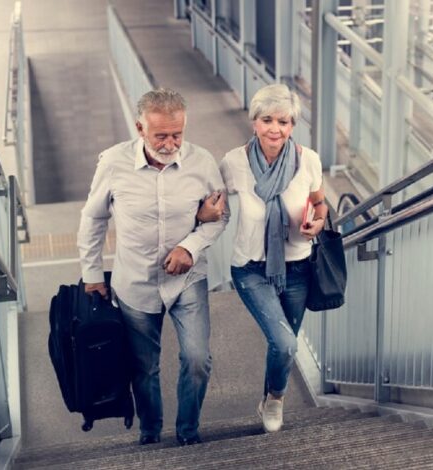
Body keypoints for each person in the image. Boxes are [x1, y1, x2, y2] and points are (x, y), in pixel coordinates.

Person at [77, 88, 228, 446]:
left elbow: (221, 216)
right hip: (135, 282)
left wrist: (190, 247)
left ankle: (188, 431)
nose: (171, 142)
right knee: (144, 368)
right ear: (140, 128)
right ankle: (150, 432)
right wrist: (92, 273)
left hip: (187, 279)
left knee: (197, 359)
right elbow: (93, 218)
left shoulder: (202, 162)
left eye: (178, 134)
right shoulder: (113, 163)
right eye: (161, 135)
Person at [197, 83, 326, 433]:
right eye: (267, 119)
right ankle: (276, 401)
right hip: (251, 268)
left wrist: (317, 220)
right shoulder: (235, 162)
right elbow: (211, 202)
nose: (275, 129)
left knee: (283, 347)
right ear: (254, 121)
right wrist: (204, 217)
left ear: (292, 126)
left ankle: (270, 395)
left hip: (298, 266)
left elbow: (319, 201)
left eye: (283, 122)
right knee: (285, 342)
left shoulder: (307, 160)